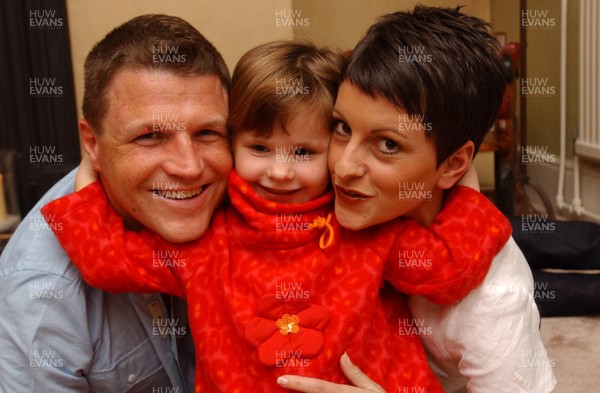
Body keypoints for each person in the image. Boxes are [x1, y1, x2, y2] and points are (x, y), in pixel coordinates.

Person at [42, 39, 511, 392]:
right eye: (259, 148)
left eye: (305, 151)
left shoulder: (362, 226)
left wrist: (462, 181)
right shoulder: (206, 239)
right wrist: (91, 162)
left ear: (331, 145)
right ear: (232, 141)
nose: (281, 172)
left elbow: (449, 266)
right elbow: (106, 257)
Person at [281, 5, 556, 393]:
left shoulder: (491, 304)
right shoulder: (360, 195)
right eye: (342, 127)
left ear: (453, 164)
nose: (343, 167)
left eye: (387, 144)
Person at [0, 14, 231, 392]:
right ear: (92, 143)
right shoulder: (43, 287)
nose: (190, 168)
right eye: (150, 136)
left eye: (208, 132)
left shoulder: (250, 198)